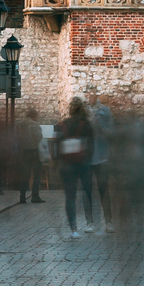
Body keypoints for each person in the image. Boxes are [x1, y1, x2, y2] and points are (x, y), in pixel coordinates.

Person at [56, 99, 97, 238]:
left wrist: (59, 162)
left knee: (70, 196)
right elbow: (91, 145)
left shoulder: (62, 125)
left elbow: (57, 145)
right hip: (83, 163)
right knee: (87, 192)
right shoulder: (86, 125)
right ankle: (90, 222)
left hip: (67, 165)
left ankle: (74, 229)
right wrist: (88, 159)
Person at [90, 103, 117, 234]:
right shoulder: (91, 125)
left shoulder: (105, 126)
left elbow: (111, 138)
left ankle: (107, 221)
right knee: (91, 192)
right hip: (92, 161)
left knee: (103, 191)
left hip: (101, 160)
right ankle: (93, 222)